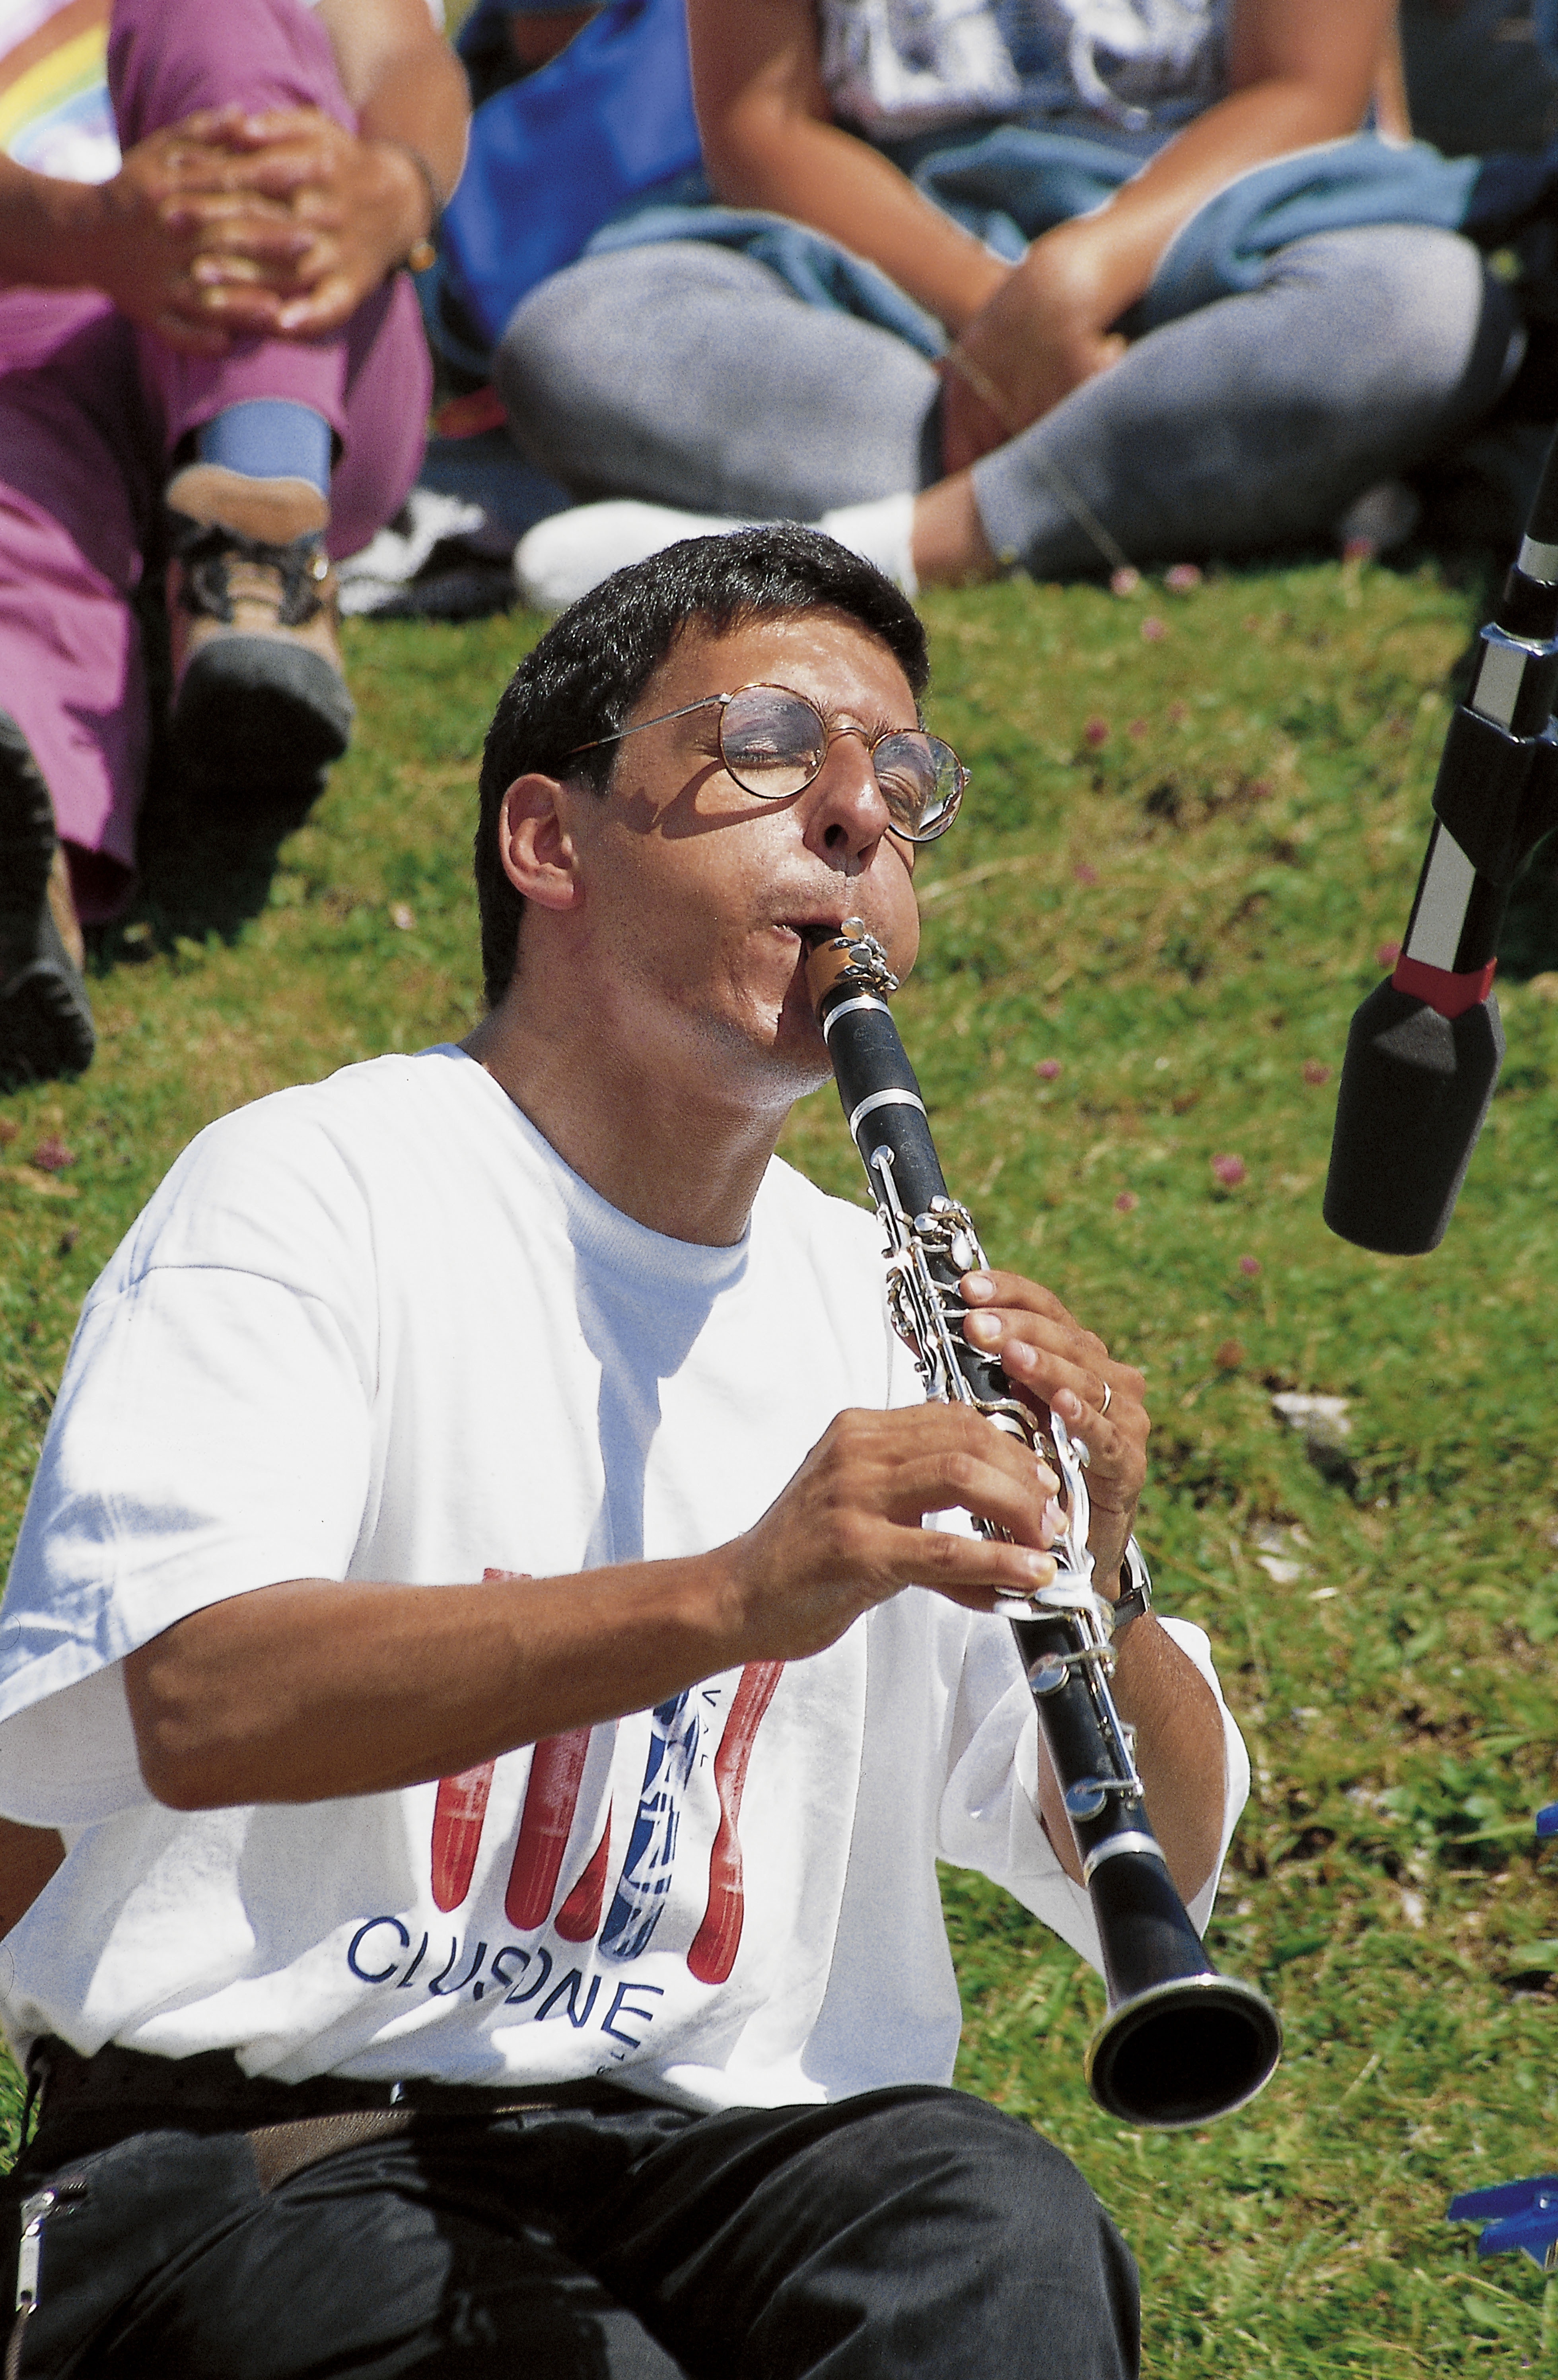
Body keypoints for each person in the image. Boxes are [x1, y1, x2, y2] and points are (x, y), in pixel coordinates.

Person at [0, 528, 1250, 2378]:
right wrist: (732, 1596)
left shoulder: (879, 1302)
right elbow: (191, 1696)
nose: (858, 815)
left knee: (992, 2219)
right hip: (273, 2140)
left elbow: (1151, 1844)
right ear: (549, 838)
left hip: (731, 2163)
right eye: (769, 745)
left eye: (902, 784)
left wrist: (1101, 1567)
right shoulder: (315, 1185)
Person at [501, 0, 1524, 609]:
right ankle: (1205, 468)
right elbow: (761, 129)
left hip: (1214, 222)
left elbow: (1307, 91)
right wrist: (1002, 316)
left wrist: (1080, 276)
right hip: (893, 254)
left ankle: (903, 547)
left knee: (1425, 311)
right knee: (580, 341)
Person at [0, 0, 469, 1089]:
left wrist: (394, 188)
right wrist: (87, 234)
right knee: (16, 502)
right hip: (33, 345)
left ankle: (255, 535)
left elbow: (406, 60)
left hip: (308, 341)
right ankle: (29, 879)